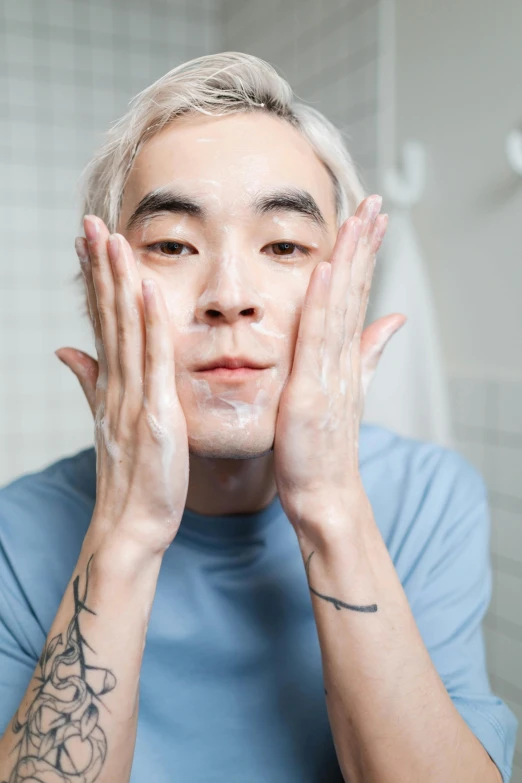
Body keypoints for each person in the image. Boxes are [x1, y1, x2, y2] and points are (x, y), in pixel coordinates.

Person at [0, 51, 517, 783]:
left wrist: (330, 506)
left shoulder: (432, 499)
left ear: (349, 290)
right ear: (101, 296)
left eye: (284, 245)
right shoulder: (15, 536)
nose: (231, 294)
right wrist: (126, 530)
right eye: (173, 244)